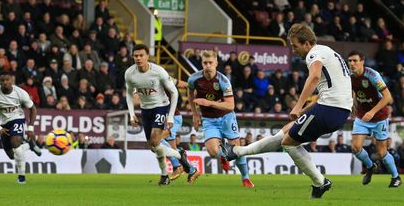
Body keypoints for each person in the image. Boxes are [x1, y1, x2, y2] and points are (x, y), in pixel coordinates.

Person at [222, 23, 353, 198]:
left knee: (288, 142)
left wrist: (298, 105)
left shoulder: (314, 53)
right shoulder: (328, 52)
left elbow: (314, 77)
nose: (293, 50)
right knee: (286, 131)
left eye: (295, 45)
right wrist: (305, 110)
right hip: (336, 109)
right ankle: (237, 151)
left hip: (330, 109)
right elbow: (329, 90)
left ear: (307, 43)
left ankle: (320, 182)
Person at [125, 44, 199, 185]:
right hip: (145, 110)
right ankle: (175, 164)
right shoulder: (130, 73)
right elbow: (129, 94)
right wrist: (131, 114)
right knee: (154, 146)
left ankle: (177, 166)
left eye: (141, 55)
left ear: (147, 56)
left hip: (162, 107)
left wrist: (170, 116)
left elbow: (175, 91)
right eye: (136, 56)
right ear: (133, 57)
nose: (138, 58)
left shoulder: (159, 72)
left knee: (156, 141)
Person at [188, 50, 254, 188]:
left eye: (210, 63)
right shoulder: (194, 79)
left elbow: (230, 106)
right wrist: (194, 113)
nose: (207, 66)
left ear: (216, 63)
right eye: (205, 63)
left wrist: (210, 103)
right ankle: (223, 154)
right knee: (212, 152)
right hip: (209, 120)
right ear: (202, 63)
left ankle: (245, 178)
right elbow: (190, 93)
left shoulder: (223, 81)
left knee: (237, 149)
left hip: (226, 118)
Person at [347, 50, 402, 187]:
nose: (352, 64)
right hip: (362, 116)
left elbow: (388, 97)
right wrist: (353, 104)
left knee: (382, 152)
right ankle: (371, 167)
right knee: (355, 147)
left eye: (355, 61)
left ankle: (396, 177)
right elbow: (354, 90)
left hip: (379, 117)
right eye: (350, 61)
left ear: (362, 62)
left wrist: (372, 112)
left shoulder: (372, 75)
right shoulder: (350, 76)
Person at [0, 74, 41, 184]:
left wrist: (30, 128)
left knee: (15, 143)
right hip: (3, 123)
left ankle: (22, 177)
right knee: (12, 155)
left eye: (7, 80)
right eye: (2, 80)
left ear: (12, 81)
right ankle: (29, 145)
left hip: (18, 119)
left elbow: (32, 109)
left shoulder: (20, 92)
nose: (5, 82)